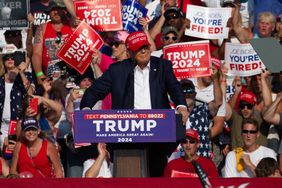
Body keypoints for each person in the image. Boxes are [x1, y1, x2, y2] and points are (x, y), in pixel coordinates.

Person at [80, 31, 189, 177]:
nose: (143, 51)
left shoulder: (163, 66)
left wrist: (181, 106)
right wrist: (86, 109)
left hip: (157, 133)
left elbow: (175, 89)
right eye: (139, 48)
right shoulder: (117, 70)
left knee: (156, 178)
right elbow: (93, 93)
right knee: (128, 178)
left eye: (145, 47)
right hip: (126, 136)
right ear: (130, 52)